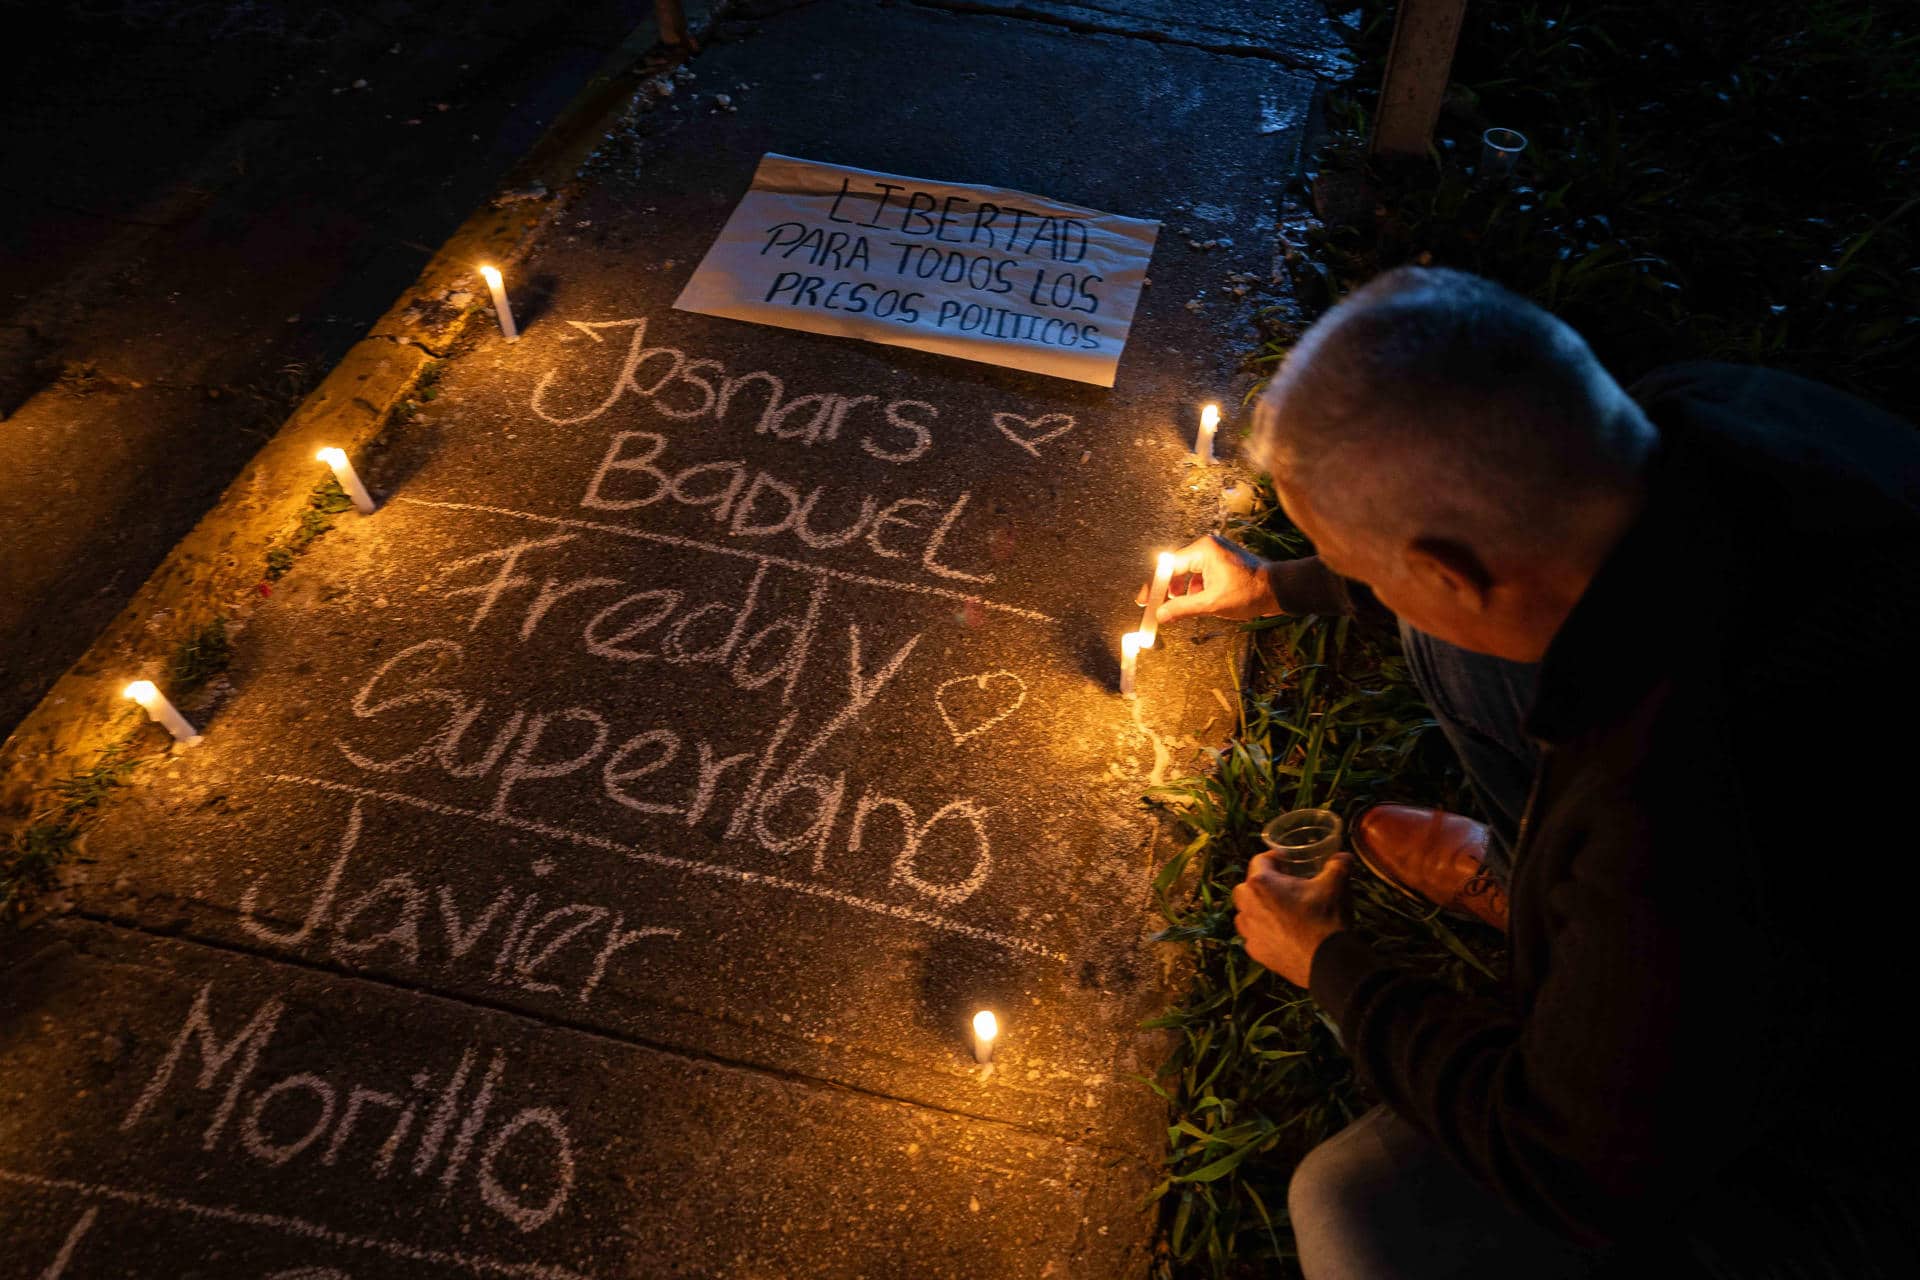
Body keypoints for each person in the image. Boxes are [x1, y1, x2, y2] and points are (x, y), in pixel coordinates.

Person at [1146, 267, 1920, 1277]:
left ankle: (1591, 966)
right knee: (1452, 644)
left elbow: (1572, 1163)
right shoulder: (1709, 421)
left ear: (1448, 570)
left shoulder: (1680, 813)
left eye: (1368, 565)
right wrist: (1281, 584)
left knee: (1348, 1209)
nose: (1362, 583)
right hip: (1788, 890)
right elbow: (1480, 548)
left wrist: (1335, 966)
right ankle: (1547, 908)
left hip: (1855, 1149)